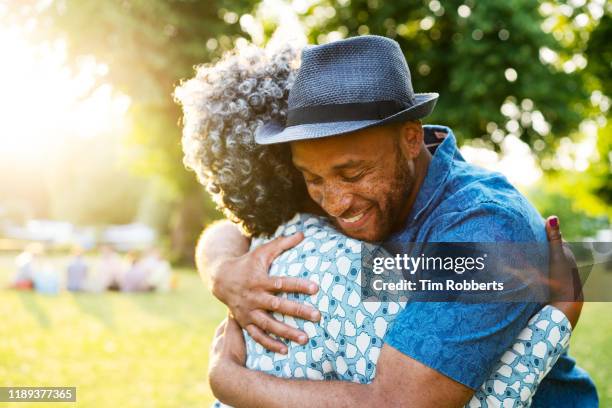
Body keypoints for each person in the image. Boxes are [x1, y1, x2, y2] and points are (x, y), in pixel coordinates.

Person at [175, 38, 595, 407]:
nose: (335, 203)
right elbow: (234, 229)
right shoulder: (342, 170)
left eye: (352, 174)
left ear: (412, 138)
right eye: (313, 180)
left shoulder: (485, 231)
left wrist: (227, 380)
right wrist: (224, 273)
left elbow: (398, 403)